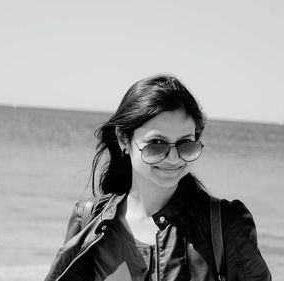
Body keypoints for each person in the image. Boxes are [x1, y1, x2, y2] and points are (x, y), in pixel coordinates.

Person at [45, 74, 271, 281]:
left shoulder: (226, 223)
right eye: (156, 144)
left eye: (185, 144)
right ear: (124, 139)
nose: (173, 158)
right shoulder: (88, 221)